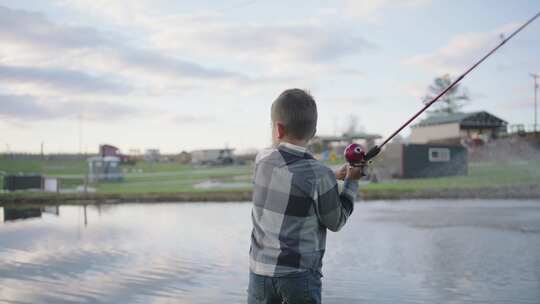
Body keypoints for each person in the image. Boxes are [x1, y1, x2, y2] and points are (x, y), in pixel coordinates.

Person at [248, 88, 363, 304]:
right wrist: (351, 182)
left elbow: (291, 170)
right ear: (313, 131)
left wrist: (330, 176)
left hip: (259, 274)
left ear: (278, 129)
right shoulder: (319, 176)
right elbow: (336, 221)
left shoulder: (261, 160)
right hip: (299, 277)